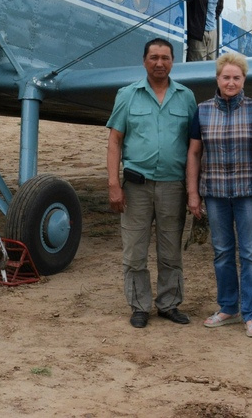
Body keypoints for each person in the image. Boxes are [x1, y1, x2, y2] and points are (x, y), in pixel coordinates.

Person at [106, 38, 198, 329]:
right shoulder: (127, 95)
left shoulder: (186, 97)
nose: (160, 63)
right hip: (137, 187)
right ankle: (140, 306)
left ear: (173, 62)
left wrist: (195, 189)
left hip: (173, 186)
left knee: (171, 251)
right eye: (154, 57)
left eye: (166, 58)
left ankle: (169, 304)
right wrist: (113, 184)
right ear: (144, 61)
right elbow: (115, 141)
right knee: (135, 251)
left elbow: (195, 146)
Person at [186, 52, 252, 338]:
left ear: (244, 80)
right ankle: (228, 307)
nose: (231, 82)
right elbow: (194, 152)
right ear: (217, 78)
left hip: (248, 192)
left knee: (251, 253)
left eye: (236, 77)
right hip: (214, 193)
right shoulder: (202, 111)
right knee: (222, 253)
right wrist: (193, 193)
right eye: (226, 77)